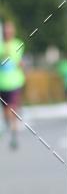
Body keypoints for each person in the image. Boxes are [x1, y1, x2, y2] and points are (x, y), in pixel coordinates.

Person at [0, 20, 26, 150]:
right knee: (5, 112)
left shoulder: (18, 44)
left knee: (12, 109)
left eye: (9, 29)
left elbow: (18, 60)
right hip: (2, 83)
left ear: (13, 31)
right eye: (5, 30)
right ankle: (8, 125)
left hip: (15, 82)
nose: (7, 32)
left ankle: (14, 136)